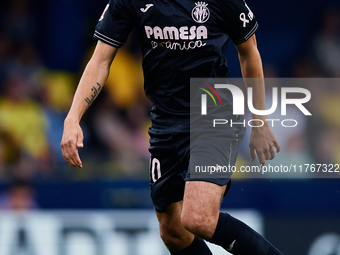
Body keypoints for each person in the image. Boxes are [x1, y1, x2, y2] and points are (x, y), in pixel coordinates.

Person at [61, 0, 283, 254]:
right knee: (173, 232)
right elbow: (100, 60)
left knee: (198, 218)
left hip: (213, 114)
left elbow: (249, 52)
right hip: (165, 122)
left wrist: (259, 120)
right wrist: (72, 118)